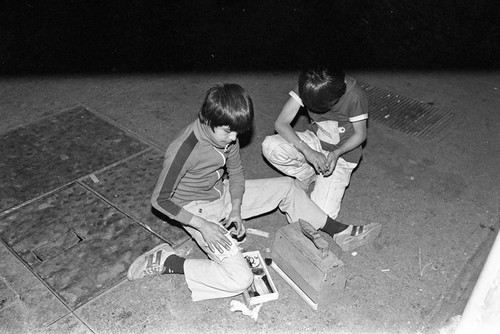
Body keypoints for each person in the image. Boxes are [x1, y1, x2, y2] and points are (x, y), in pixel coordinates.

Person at [127, 83, 340, 301]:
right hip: (196, 210)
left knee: (287, 185)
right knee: (240, 279)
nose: (233, 138)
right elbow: (160, 200)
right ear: (208, 119)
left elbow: (236, 172)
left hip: (221, 192)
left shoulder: (228, 135)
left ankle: (334, 229)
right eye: (228, 131)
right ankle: (168, 261)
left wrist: (236, 208)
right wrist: (203, 225)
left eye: (237, 131)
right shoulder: (184, 150)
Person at [262, 66, 382, 252]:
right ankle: (307, 174)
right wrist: (307, 151)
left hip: (342, 156)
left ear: (335, 98)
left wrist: (336, 153)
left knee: (317, 216)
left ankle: (318, 181)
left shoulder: (354, 96)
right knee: (271, 147)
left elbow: (360, 135)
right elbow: (281, 123)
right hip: (315, 143)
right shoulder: (311, 84)